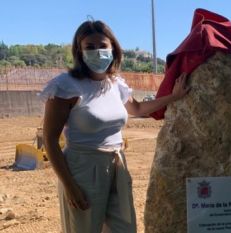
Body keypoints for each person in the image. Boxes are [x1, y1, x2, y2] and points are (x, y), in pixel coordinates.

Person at [39, 20, 189, 233]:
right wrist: (70, 187)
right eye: (89, 47)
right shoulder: (66, 85)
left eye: (102, 46)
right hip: (83, 169)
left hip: (117, 165)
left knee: (124, 228)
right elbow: (50, 141)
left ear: (113, 49)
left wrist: (173, 97)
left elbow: (137, 109)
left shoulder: (115, 83)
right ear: (79, 52)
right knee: (85, 228)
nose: (97, 51)